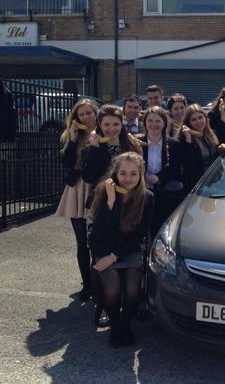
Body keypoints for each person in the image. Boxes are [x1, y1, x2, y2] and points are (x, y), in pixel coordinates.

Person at [81, 104, 142, 327]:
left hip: (127, 205)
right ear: (100, 125)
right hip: (100, 206)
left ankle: (127, 302)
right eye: (106, 124)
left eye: (116, 124)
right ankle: (101, 305)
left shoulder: (131, 144)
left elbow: (138, 174)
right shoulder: (94, 145)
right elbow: (88, 176)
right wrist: (96, 149)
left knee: (125, 249)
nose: (111, 128)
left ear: (122, 124)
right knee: (98, 254)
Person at [88, 152, 154, 347]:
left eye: (133, 174)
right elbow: (98, 233)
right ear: (115, 174)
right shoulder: (103, 191)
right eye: (123, 173)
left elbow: (139, 235)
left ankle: (125, 325)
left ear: (140, 175)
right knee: (112, 289)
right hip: (103, 246)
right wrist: (110, 203)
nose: (127, 179)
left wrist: (114, 257)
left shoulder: (147, 197)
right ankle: (115, 325)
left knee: (133, 289)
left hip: (127, 249)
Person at [55, 98, 99, 301]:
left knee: (98, 240)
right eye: (81, 114)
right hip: (77, 187)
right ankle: (86, 285)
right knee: (82, 242)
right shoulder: (71, 136)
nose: (86, 117)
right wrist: (73, 138)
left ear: (95, 113)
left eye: (89, 113)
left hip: (97, 188)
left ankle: (98, 282)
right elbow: (66, 162)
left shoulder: (104, 132)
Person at [138, 106, 182, 239]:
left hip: (163, 194)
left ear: (164, 123)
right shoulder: (138, 142)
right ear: (145, 123)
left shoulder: (174, 144)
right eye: (150, 121)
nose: (154, 125)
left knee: (159, 229)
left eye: (158, 121)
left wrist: (159, 177)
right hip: (141, 192)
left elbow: (175, 170)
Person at [178, 104, 225, 192]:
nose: (198, 122)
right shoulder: (185, 139)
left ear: (205, 118)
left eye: (200, 117)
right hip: (197, 185)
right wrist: (188, 140)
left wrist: (222, 149)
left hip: (215, 181)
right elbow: (188, 164)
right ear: (188, 123)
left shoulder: (212, 134)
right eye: (194, 119)